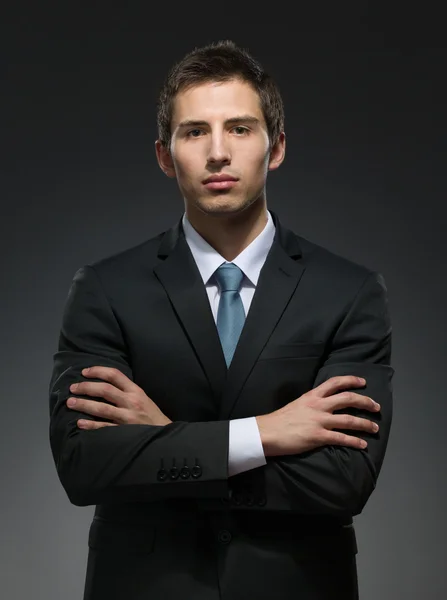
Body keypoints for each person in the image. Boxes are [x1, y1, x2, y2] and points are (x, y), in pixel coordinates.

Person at [49, 39, 394, 600]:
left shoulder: (349, 292)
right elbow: (84, 465)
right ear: (165, 155)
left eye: (239, 128)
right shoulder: (106, 289)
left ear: (275, 147)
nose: (217, 152)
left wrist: (162, 439)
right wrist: (264, 434)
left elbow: (343, 482)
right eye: (194, 132)